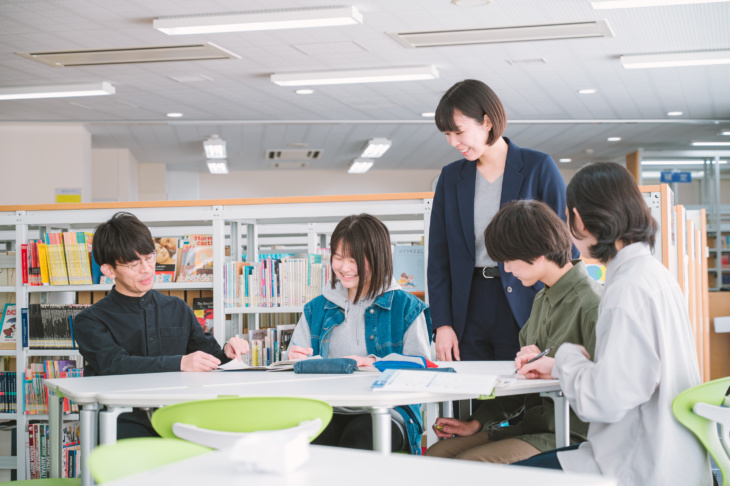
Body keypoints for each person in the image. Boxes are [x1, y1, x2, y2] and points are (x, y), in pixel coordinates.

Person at [513, 163, 711, 485]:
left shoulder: (625, 292)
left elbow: (604, 402)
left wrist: (567, 357)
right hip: (673, 456)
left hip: (636, 465)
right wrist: (559, 367)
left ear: (579, 219)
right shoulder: (653, 275)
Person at [425, 200, 601, 464]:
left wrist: (557, 367)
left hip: (574, 434)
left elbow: (609, 388)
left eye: (509, 259)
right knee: (436, 454)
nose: (506, 269)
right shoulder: (542, 299)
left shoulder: (592, 305)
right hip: (534, 427)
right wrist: (477, 422)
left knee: (470, 464)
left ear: (538, 252)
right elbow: (521, 384)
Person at [428, 79, 575, 362]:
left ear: (486, 122)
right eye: (446, 134)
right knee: (469, 399)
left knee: (525, 395)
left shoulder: (537, 167)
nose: (452, 142)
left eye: (458, 131)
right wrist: (442, 323)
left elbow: (567, 246)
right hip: (467, 306)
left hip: (527, 301)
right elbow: (439, 256)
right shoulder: (450, 177)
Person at [74, 212, 249, 439]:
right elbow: (115, 365)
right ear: (109, 270)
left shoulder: (177, 308)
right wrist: (181, 363)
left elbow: (211, 357)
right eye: (133, 264)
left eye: (149, 258)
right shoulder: (90, 320)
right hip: (121, 418)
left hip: (179, 414)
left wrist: (227, 352)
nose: (146, 269)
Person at [287, 214, 431, 454]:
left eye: (353, 259)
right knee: (310, 447)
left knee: (358, 443)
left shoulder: (405, 307)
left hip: (386, 409)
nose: (344, 268)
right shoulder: (316, 309)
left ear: (378, 258)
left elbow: (422, 371)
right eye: (338, 257)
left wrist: (376, 364)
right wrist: (294, 360)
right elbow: (291, 369)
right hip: (328, 407)